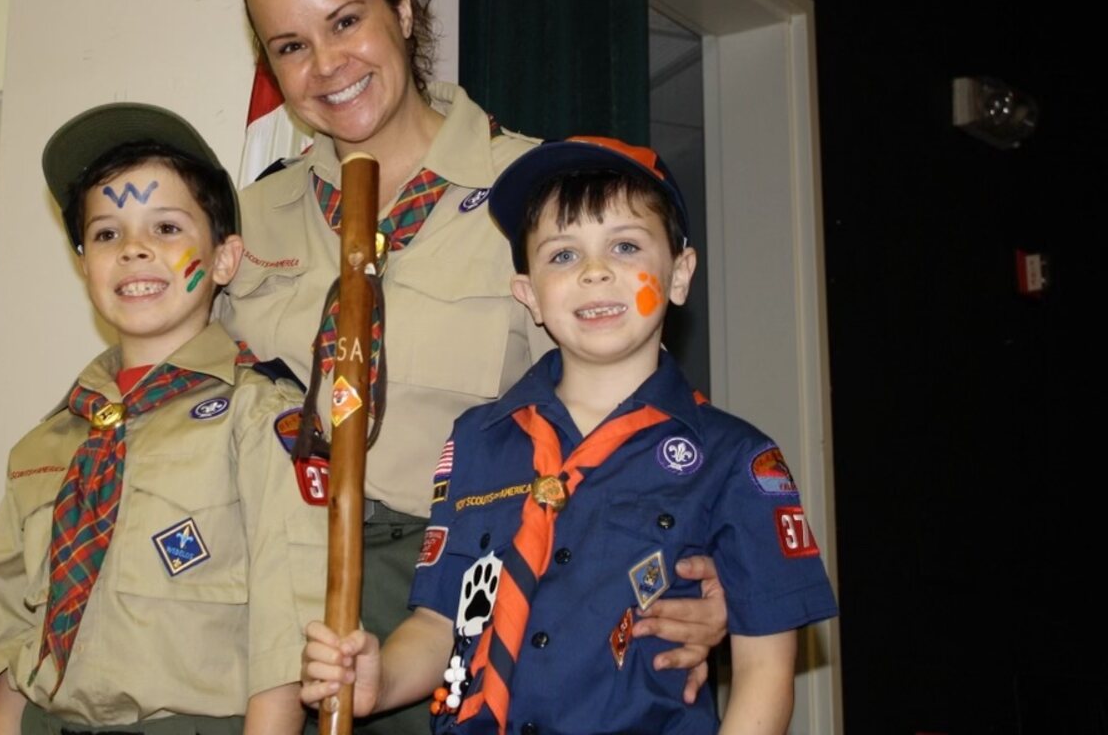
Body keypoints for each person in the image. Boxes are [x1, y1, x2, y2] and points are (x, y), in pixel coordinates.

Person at [220, 0, 729, 733]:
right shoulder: (246, 222)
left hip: (460, 588)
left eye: (346, 21)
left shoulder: (542, 195)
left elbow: (631, 417)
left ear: (404, 7)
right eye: (290, 46)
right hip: (277, 604)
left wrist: (692, 571)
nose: (325, 65)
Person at [300, 136, 839, 734]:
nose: (595, 272)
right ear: (528, 294)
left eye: (626, 246)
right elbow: (443, 624)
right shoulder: (477, 440)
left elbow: (765, 671)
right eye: (562, 255)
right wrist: (381, 679)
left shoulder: (736, 458)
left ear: (680, 275)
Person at [0, 104, 327, 735]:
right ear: (85, 264)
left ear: (223, 259)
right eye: (106, 234)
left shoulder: (261, 418)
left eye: (164, 228)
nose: (133, 250)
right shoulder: (47, 443)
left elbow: (287, 637)